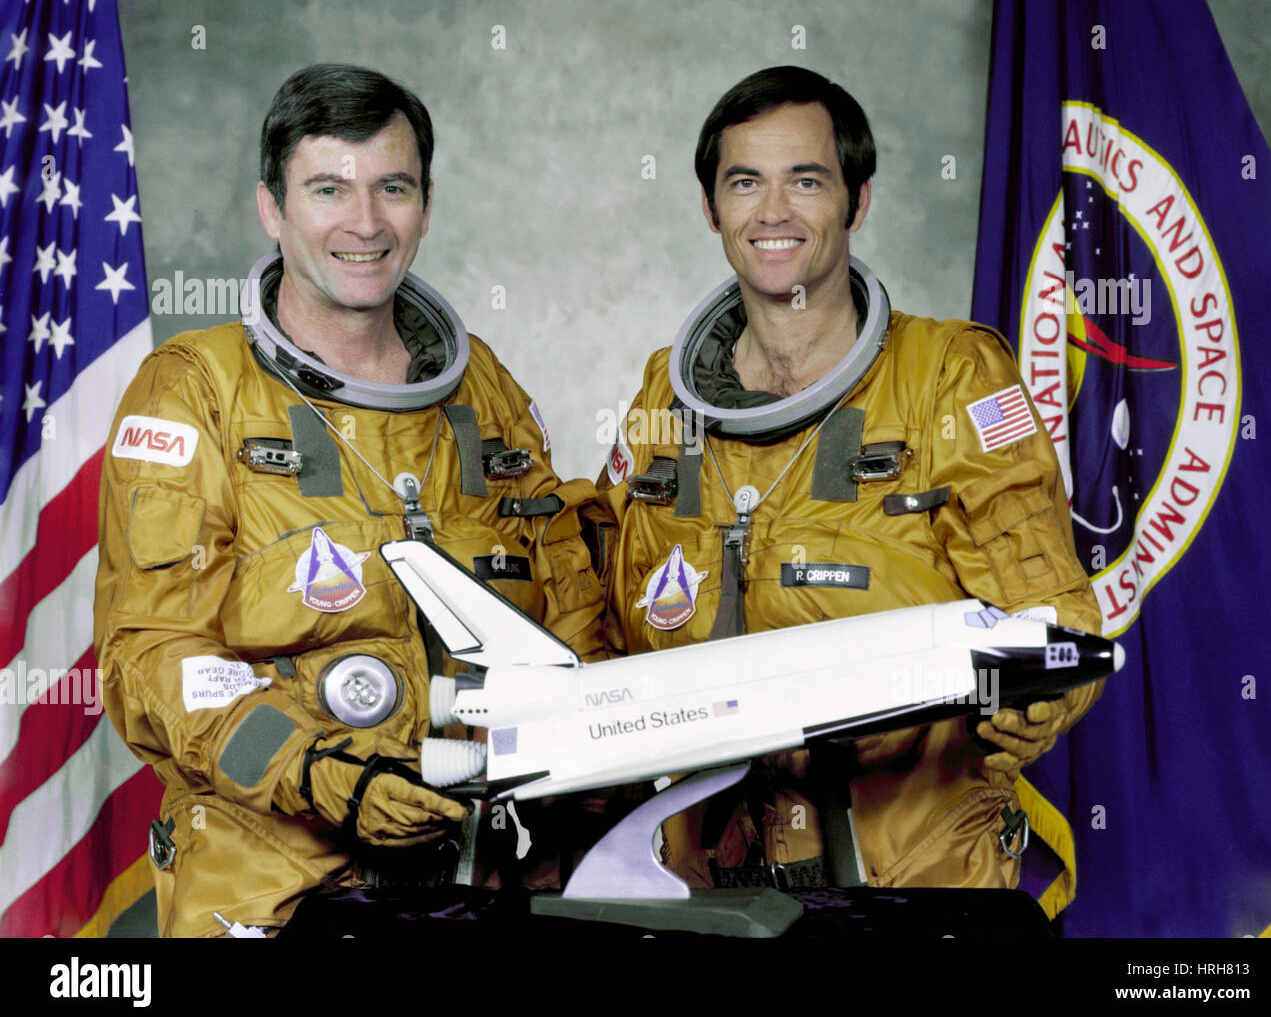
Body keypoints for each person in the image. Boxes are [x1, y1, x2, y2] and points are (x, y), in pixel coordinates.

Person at [93, 64, 606, 937]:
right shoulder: (197, 390)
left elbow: (570, 606)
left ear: (426, 204)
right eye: (328, 188)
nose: (365, 223)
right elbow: (154, 660)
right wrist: (322, 773)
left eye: (392, 188)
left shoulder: (481, 388)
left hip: (490, 879)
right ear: (272, 208)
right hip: (274, 892)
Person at [596, 66, 1104, 919]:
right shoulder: (664, 400)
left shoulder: (949, 377)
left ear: (857, 200)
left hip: (913, 886)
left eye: (807, 180)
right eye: (745, 182)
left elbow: (1056, 613)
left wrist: (1041, 698)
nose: (774, 212)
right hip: (704, 893)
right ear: (711, 208)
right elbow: (605, 619)